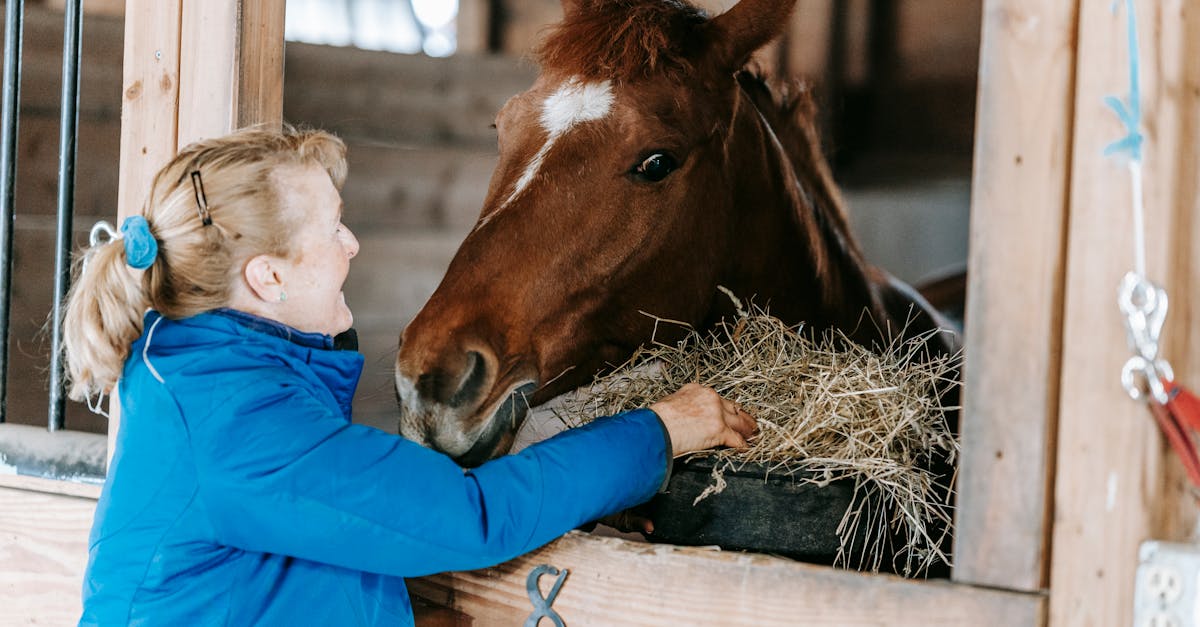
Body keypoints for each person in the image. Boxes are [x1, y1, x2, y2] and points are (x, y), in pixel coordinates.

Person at [64, 127, 756, 626]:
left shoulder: (198, 371)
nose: (351, 243)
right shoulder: (235, 423)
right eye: (332, 229)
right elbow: (472, 516)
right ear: (267, 276)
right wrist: (659, 431)